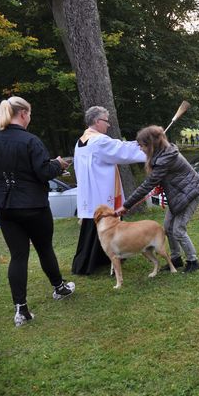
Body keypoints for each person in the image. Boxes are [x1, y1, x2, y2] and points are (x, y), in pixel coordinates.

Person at [0, 96, 76, 327]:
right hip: (33, 205)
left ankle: (21, 310)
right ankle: (59, 288)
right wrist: (59, 165)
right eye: (30, 113)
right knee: (44, 248)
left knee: (18, 256)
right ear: (23, 113)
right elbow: (43, 172)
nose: (30, 118)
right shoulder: (30, 141)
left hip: (5, 206)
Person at [115, 126, 199, 272]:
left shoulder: (165, 159)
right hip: (178, 194)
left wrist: (126, 205)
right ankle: (176, 259)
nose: (140, 149)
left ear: (151, 145)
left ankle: (193, 261)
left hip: (189, 193)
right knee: (168, 228)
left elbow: (147, 184)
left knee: (178, 230)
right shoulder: (161, 154)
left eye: (142, 145)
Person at [72, 106, 146, 275]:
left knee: (91, 231)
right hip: (101, 192)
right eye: (106, 121)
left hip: (89, 193)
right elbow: (122, 150)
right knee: (106, 225)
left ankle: (89, 261)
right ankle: (102, 259)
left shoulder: (81, 141)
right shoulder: (99, 141)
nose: (109, 125)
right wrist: (148, 145)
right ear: (97, 122)